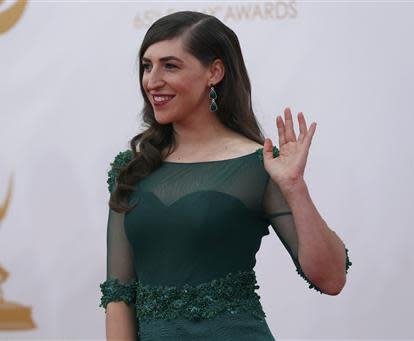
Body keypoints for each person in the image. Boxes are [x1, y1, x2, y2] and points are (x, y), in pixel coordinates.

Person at [99, 10, 352, 341]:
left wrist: (294, 188)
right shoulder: (132, 170)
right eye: (147, 65)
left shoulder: (259, 165)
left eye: (170, 66)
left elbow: (331, 279)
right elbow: (119, 296)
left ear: (214, 72)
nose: (151, 80)